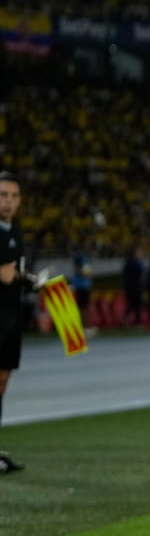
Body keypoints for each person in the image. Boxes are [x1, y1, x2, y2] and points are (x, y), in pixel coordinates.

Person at [0, 171, 32, 473]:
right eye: (3, 195)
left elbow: (15, 272)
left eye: (13, 196)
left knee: (3, 380)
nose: (8, 202)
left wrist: (31, 281)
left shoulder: (16, 231)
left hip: (11, 315)